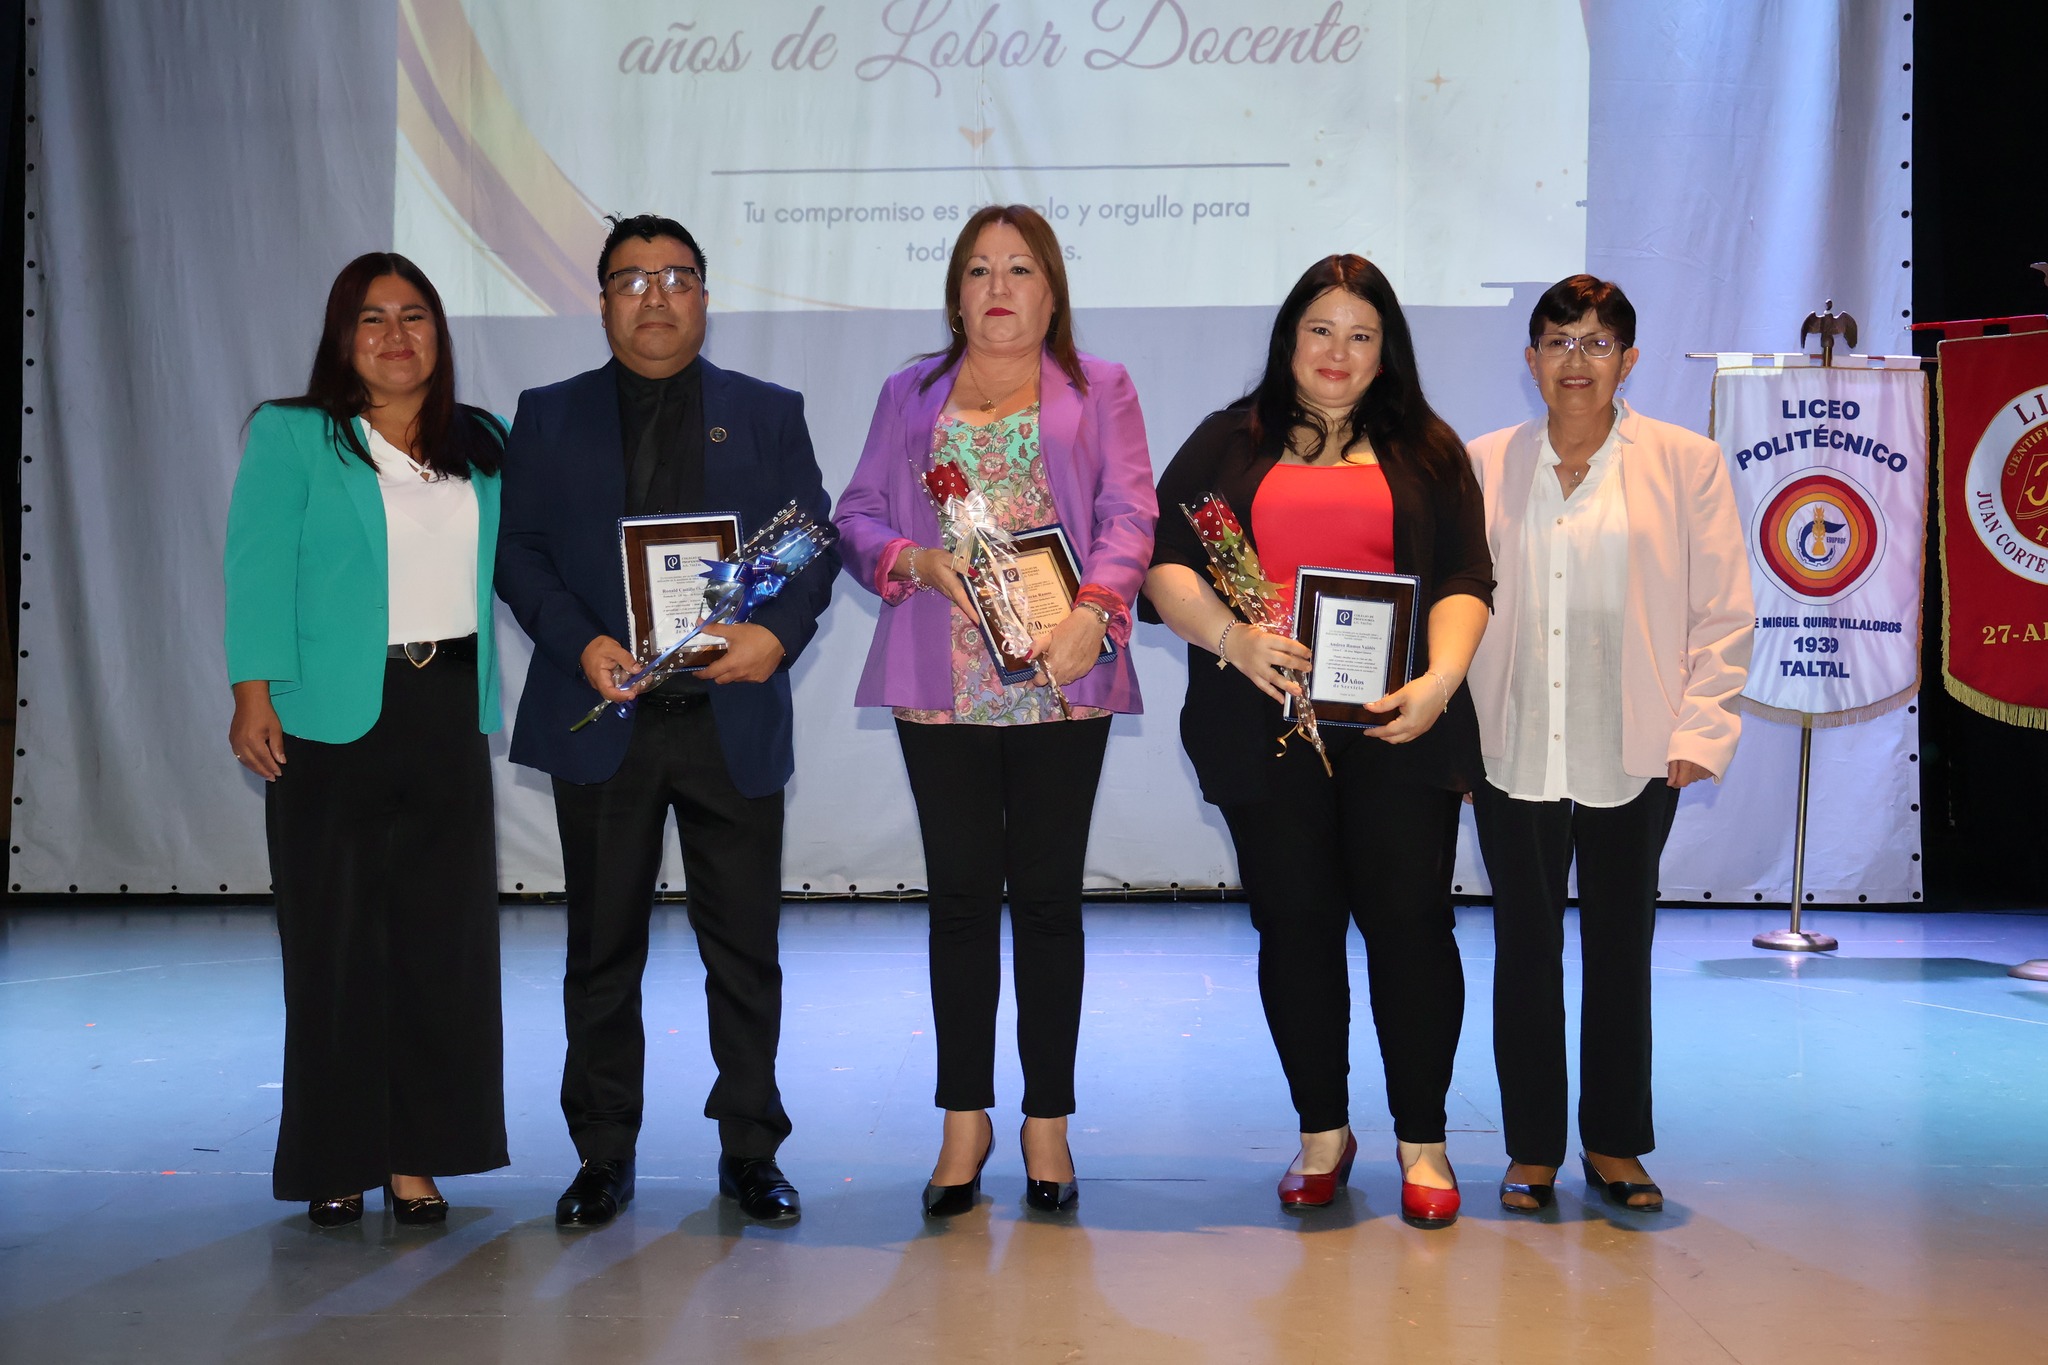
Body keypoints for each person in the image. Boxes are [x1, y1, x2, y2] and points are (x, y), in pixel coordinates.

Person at [496, 214, 836, 1227]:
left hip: (727, 716)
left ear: (703, 296)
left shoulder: (766, 412)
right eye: (631, 279)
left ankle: (750, 1151)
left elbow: (808, 543)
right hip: (605, 715)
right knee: (601, 951)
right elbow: (521, 558)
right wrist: (579, 644)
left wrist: (776, 635)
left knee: (745, 949)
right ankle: (601, 1155)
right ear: (601, 301)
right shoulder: (546, 416)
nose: (655, 296)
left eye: (676, 277)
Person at [1142, 255, 1491, 1227]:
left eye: (1361, 334)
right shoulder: (1227, 441)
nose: (1337, 353)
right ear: (1288, 339)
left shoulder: (1426, 448)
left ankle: (1420, 1138)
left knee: (1410, 931)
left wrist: (1439, 680)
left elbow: (1467, 576)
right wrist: (1230, 636)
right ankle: (1320, 1132)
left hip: (1399, 726)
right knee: (1293, 931)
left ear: (1387, 350)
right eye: (1319, 330)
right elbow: (1165, 564)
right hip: (1265, 730)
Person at [834, 205, 1155, 1217]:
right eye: (977, 270)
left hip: (1061, 674)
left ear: (1051, 289)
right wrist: (910, 561)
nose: (998, 287)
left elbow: (1129, 512)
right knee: (963, 903)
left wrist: (1095, 611)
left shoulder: (1099, 387)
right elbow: (857, 516)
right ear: (955, 291)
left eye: (1019, 269)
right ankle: (963, 1118)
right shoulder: (908, 392)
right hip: (946, 679)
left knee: (1050, 902)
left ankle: (1046, 1121)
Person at [224, 251, 509, 1228]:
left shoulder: (484, 441)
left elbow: (535, 561)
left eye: (415, 315)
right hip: (324, 719)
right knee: (332, 944)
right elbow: (256, 569)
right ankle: (335, 1157)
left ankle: (416, 1158)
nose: (396, 336)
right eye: (372, 318)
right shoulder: (295, 435)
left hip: (445, 713)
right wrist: (250, 691)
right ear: (343, 337)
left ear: (441, 332)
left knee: (441, 946)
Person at [1465, 275, 1751, 1214]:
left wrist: (1702, 725)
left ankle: (1618, 1142)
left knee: (1621, 945)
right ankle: (1534, 1148)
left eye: (1595, 343)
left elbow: (1721, 609)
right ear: (1531, 360)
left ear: (1628, 361)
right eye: (1556, 341)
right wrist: (1456, 742)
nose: (1574, 361)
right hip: (1513, 745)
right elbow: (1453, 614)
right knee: (1524, 948)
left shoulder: (1684, 462)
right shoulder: (1483, 463)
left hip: (1637, 744)